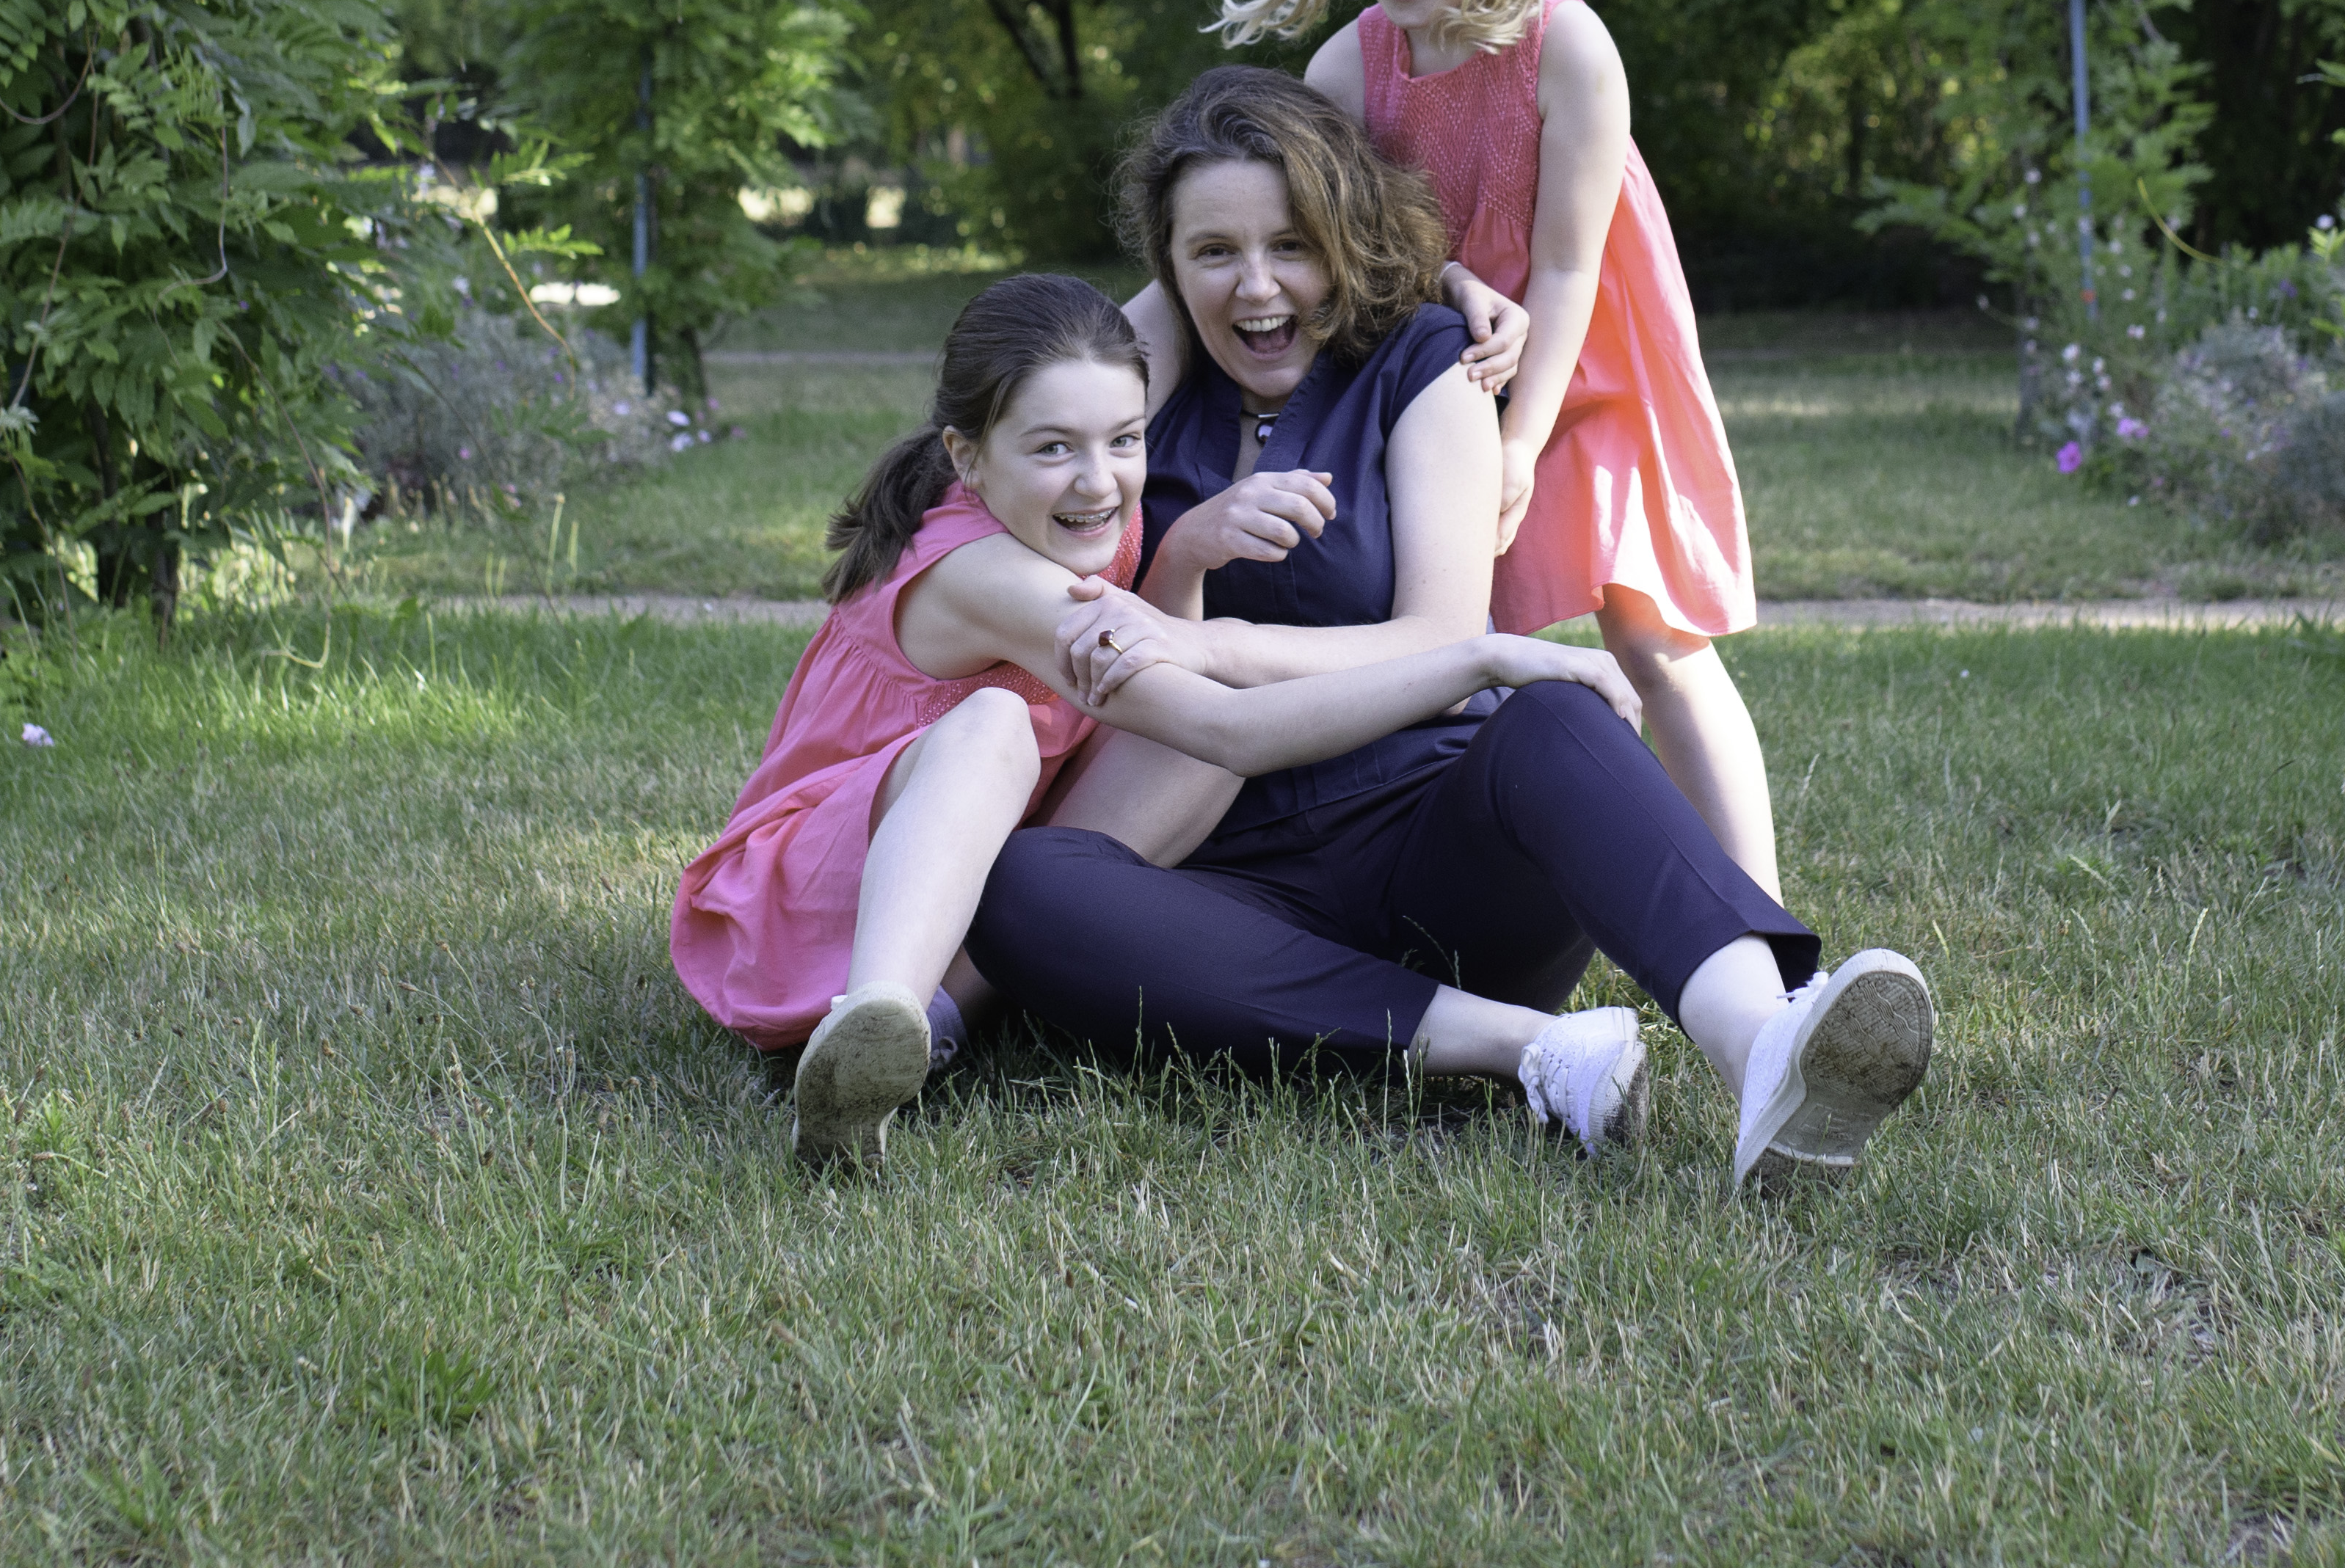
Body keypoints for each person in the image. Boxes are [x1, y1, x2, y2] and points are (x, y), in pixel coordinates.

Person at [979, 69, 1934, 1199]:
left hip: (1438, 843)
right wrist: (1180, 561)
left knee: (1551, 716)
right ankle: (1505, 1043)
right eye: (1213, 254)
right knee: (1026, 887)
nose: (1255, 287)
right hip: (1229, 892)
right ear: (1167, 267)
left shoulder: (1426, 360)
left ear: (1341, 235)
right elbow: (997, 421)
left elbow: (1434, 631)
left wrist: (1205, 646)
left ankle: (1762, 1050)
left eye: (1292, 243)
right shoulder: (1132, 397)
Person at [669, 269, 1637, 1171]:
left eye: (1123, 441)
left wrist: (1179, 559)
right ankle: (880, 1016)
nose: (1097, 479)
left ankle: (958, 1007)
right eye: (1053, 448)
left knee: (1164, 720)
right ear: (968, 455)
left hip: (986, 866)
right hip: (817, 893)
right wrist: (1473, 654)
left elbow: (1242, 238)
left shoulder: (1090, 506)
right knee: (998, 726)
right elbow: (1232, 733)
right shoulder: (986, 570)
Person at [1188, 0, 1777, 891]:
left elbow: (1564, 268)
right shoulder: (1350, 70)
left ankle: (1760, 912)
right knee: (1437, 636)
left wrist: (1521, 444)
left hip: (1587, 365)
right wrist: (1450, 302)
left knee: (1651, 638)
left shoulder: (1566, 46)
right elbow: (1346, 253)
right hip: (1433, 381)